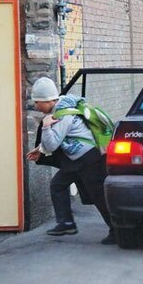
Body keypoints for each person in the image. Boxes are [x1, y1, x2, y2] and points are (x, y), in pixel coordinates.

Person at [26, 77, 115, 244]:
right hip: (77, 160)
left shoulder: (62, 115)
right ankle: (66, 223)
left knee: (99, 197)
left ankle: (117, 231)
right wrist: (40, 150)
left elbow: (53, 144)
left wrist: (45, 126)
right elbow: (61, 139)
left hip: (89, 160)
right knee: (57, 185)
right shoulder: (61, 109)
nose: (36, 106)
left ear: (48, 100)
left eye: (37, 102)